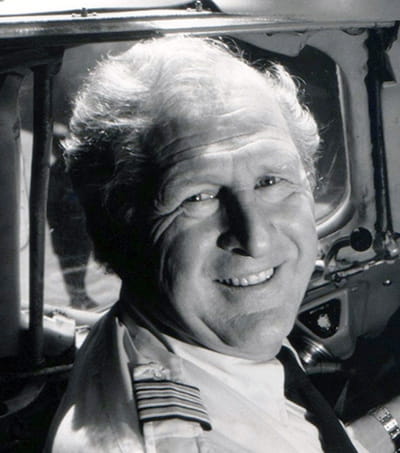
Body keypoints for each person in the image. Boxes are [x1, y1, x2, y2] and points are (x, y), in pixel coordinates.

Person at [45, 36, 398, 452]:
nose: (256, 239)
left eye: (270, 181)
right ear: (118, 229)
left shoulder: (182, 340)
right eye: (198, 197)